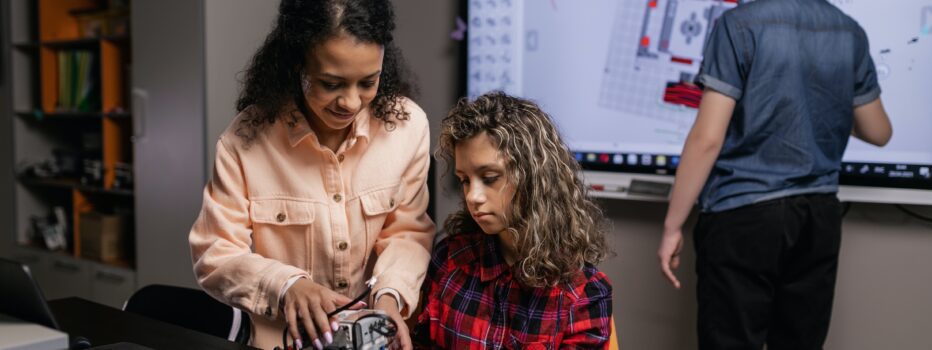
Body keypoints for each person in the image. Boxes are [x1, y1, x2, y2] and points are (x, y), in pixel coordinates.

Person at [188, 0, 435, 349]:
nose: (350, 102)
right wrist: (287, 286)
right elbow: (215, 252)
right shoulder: (243, 142)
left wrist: (388, 300)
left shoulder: (407, 128)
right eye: (331, 84)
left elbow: (407, 232)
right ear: (295, 65)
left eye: (368, 82)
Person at [657, 0, 893, 349]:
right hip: (818, 219)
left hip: (743, 217)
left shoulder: (738, 25)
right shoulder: (848, 29)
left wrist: (672, 226)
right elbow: (879, 131)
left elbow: (707, 139)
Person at [413, 92, 614, 349]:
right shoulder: (449, 259)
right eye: (464, 180)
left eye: (489, 178)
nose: (472, 196)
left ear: (532, 177)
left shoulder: (584, 294)